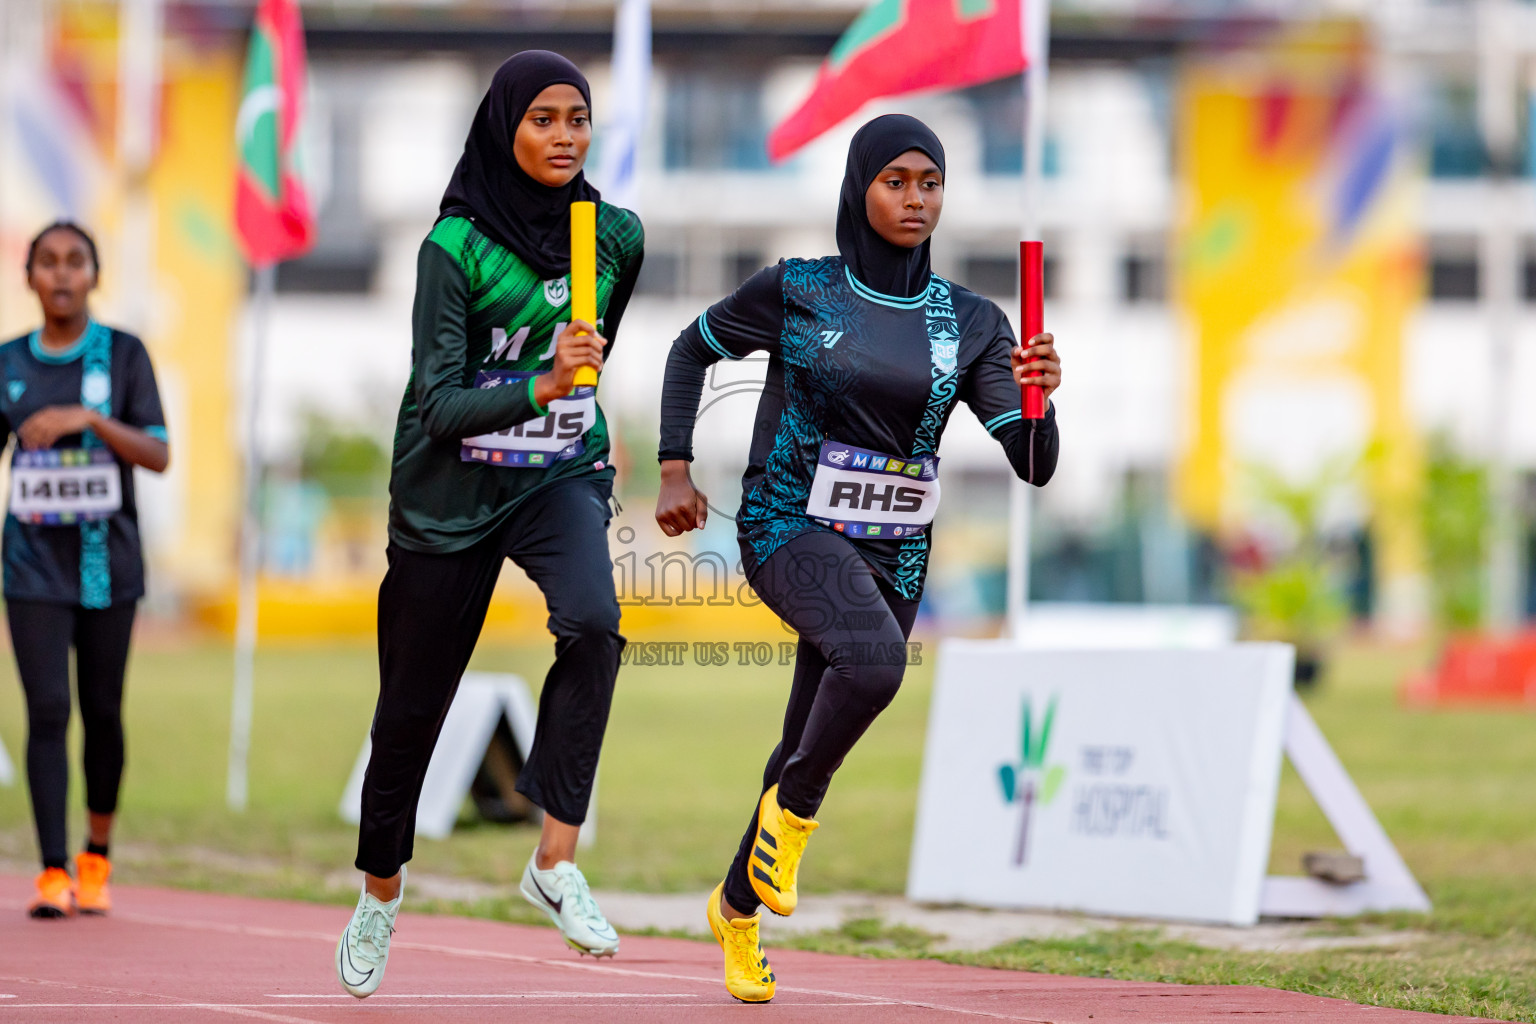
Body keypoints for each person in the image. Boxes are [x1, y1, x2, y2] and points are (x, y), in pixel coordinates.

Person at [655, 114, 1062, 1003]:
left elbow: (1032, 463)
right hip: (785, 524)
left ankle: (735, 908)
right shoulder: (798, 289)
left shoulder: (974, 321)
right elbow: (691, 348)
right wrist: (675, 465)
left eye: (930, 182)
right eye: (896, 181)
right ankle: (794, 817)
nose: (916, 198)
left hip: (895, 552)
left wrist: (1042, 397)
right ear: (860, 187)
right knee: (876, 665)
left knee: (809, 727)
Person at [335, 50, 643, 998]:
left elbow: (586, 369)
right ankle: (381, 894)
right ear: (504, 124)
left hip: (555, 474)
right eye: (543, 118)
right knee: (409, 718)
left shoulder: (616, 237)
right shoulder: (454, 248)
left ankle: (553, 863)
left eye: (577, 119)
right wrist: (539, 382)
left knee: (595, 625)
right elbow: (436, 405)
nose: (563, 137)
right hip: (446, 496)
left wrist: (572, 405)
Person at [1, 221, 170, 919]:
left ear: (94, 275)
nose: (63, 275)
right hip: (31, 567)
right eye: (49, 263)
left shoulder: (123, 356)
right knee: (46, 710)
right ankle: (50, 870)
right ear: (30, 277)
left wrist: (89, 421)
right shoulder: (9, 361)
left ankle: (95, 854)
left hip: (107, 567)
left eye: (76, 262)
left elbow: (159, 455)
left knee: (102, 712)